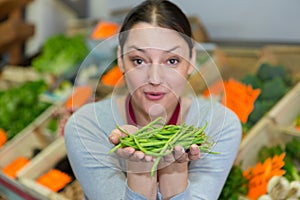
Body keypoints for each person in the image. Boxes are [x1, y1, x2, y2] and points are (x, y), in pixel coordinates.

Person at [64, 0, 242, 199]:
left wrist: (175, 172)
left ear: (191, 61)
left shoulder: (220, 125)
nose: (155, 79)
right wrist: (140, 168)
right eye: (138, 60)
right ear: (121, 60)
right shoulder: (86, 126)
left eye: (172, 61)